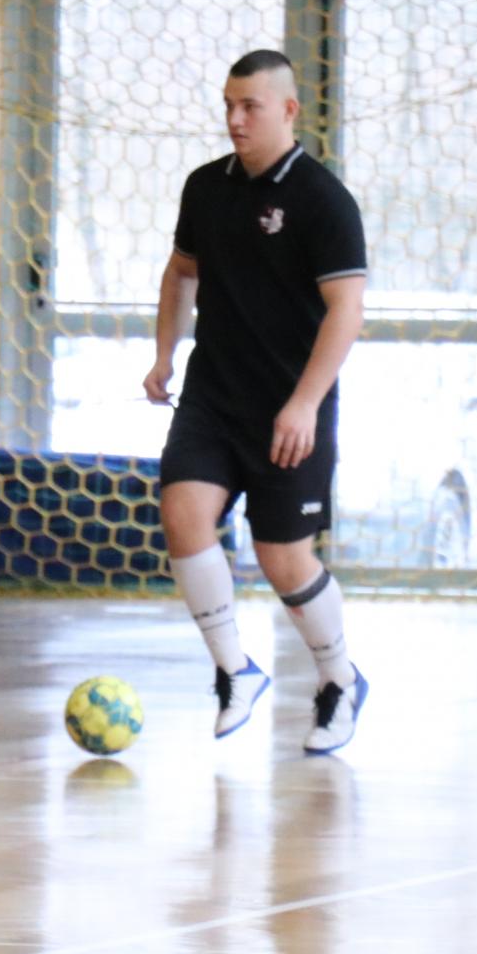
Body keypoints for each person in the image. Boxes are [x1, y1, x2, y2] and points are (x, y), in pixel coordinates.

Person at [143, 49, 370, 756]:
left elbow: (347, 311)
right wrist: (164, 354)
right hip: (213, 397)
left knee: (283, 559)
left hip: (288, 408)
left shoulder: (323, 200)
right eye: (229, 105)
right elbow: (180, 272)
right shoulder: (206, 187)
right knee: (183, 514)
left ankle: (339, 680)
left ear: (288, 110)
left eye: (251, 106)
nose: (235, 120)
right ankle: (235, 669)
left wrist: (304, 404)